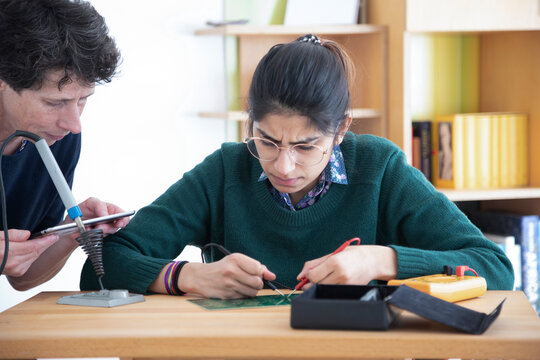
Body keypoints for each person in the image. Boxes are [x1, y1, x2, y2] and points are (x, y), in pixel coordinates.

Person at [81, 34, 513, 298]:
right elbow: (101, 267)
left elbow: (494, 268)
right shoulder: (225, 170)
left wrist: (381, 261)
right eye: (266, 141)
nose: (283, 165)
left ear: (340, 129)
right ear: (249, 124)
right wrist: (189, 276)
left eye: (306, 146)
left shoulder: (380, 169)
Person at [0, 0, 129, 291]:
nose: (74, 124)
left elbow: (23, 276)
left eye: (83, 99)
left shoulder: (57, 140)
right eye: (55, 102)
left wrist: (72, 232)